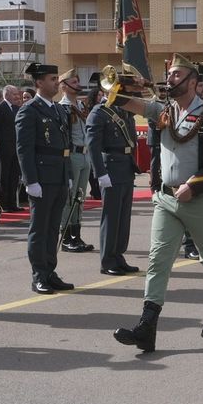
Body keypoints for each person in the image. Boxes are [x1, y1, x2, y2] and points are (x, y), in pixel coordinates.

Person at [110, 54, 203, 352]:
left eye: (177, 74)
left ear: (193, 81)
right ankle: (147, 327)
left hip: (198, 197)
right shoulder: (162, 110)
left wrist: (194, 185)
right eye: (169, 74)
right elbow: (122, 101)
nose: (170, 79)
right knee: (158, 260)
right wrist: (129, 83)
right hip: (166, 198)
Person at [16, 63, 74, 295]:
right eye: (52, 79)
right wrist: (30, 180)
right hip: (42, 177)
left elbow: (66, 146)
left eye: (57, 78)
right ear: (39, 82)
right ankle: (39, 275)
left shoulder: (58, 109)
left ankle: (50, 271)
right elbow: (24, 149)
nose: (56, 83)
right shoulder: (29, 110)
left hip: (59, 175)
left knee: (52, 228)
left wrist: (68, 174)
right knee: (39, 229)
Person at [86, 69, 140, 276]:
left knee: (123, 217)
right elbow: (93, 147)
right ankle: (107, 260)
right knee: (111, 216)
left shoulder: (124, 111)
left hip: (126, 166)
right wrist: (100, 173)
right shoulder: (99, 113)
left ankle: (118, 255)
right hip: (111, 167)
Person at [56, 69, 96, 255]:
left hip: (85, 155)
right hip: (72, 155)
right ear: (63, 86)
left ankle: (76, 235)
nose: (78, 85)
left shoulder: (81, 106)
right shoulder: (62, 108)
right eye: (73, 82)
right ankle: (65, 238)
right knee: (69, 198)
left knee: (80, 198)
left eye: (78, 81)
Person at [0, 85, 21, 212]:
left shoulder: (17, 108)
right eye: (14, 94)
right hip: (4, 148)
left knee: (14, 176)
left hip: (16, 147)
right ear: (7, 94)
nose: (17, 96)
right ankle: (3, 204)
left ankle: (12, 203)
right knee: (3, 176)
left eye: (17, 94)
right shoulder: (0, 108)